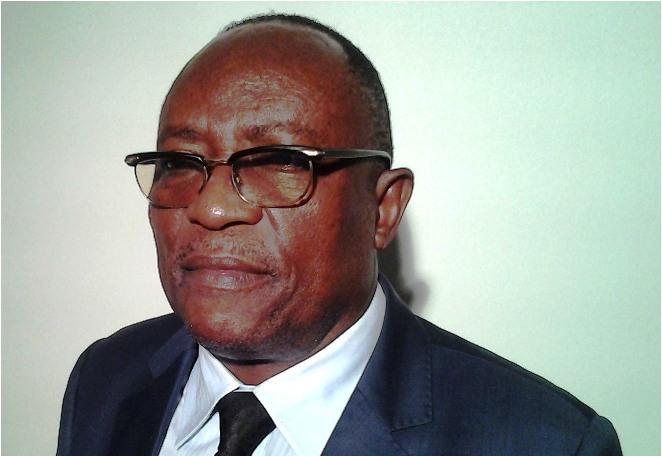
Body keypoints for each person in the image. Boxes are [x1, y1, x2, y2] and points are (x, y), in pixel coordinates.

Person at [57, 13, 622, 456]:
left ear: (382, 208)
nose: (212, 206)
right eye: (180, 162)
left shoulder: (544, 441)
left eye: (279, 160)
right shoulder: (105, 379)